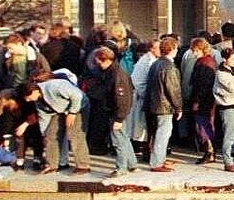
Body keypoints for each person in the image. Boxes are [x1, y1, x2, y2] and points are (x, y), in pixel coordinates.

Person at [22, 72, 91, 174]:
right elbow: (44, 117)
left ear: (35, 91)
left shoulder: (54, 86)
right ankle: (52, 164)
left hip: (78, 105)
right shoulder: (38, 101)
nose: (28, 100)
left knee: (75, 134)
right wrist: (43, 133)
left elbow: (76, 95)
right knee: (51, 135)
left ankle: (83, 165)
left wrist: (72, 112)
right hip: (60, 109)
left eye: (28, 97)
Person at [92, 48, 137, 176]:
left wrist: (118, 118)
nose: (96, 64)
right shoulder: (113, 72)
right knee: (123, 138)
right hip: (117, 111)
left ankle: (121, 168)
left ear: (104, 60)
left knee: (118, 140)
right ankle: (131, 164)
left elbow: (122, 99)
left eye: (98, 61)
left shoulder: (116, 75)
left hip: (116, 112)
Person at [144, 37, 181, 171]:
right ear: (172, 49)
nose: (177, 50)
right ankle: (157, 163)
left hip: (154, 104)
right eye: (176, 48)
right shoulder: (169, 66)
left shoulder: (156, 63)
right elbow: (173, 89)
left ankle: (159, 158)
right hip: (164, 106)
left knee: (158, 133)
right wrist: (178, 107)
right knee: (163, 134)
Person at [187, 39, 218, 165]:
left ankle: (209, 151)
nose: (194, 53)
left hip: (204, 100)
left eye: (196, 51)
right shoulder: (208, 61)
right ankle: (210, 151)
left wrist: (197, 101)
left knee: (203, 126)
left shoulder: (204, 63)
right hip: (207, 99)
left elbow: (203, 85)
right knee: (206, 125)